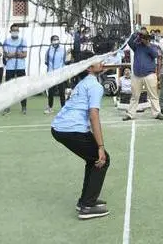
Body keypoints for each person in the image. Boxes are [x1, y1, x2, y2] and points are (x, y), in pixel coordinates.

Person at [51, 61, 110, 219]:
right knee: (102, 159)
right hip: (70, 129)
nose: (103, 62)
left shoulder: (83, 83)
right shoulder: (95, 86)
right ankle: (87, 206)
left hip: (59, 127)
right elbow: (93, 115)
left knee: (92, 161)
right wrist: (100, 146)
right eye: (99, 61)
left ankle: (85, 200)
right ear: (89, 68)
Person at [123, 30, 163, 121]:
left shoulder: (153, 46)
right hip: (137, 75)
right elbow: (129, 41)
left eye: (146, 38)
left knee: (153, 95)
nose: (144, 39)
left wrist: (147, 45)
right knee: (134, 96)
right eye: (143, 37)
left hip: (149, 74)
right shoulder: (137, 46)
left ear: (149, 39)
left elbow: (155, 55)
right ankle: (130, 114)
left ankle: (157, 113)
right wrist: (137, 33)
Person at [45, 35, 68, 113]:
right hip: (51, 74)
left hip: (60, 74)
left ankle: (63, 108)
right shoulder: (48, 50)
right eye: (54, 40)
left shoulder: (63, 49)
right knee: (51, 92)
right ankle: (50, 107)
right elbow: (47, 62)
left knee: (62, 92)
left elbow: (65, 61)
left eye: (57, 39)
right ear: (51, 41)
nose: (56, 41)